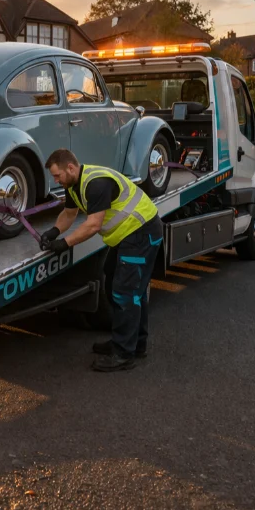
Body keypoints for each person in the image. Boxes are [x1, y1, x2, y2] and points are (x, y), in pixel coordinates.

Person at [41, 149, 163, 372]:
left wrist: (65, 243)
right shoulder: (74, 185)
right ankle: (133, 343)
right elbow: (69, 214)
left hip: (141, 232)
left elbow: (93, 224)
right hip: (128, 235)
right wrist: (53, 232)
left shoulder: (96, 184)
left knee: (126, 291)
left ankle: (124, 353)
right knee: (118, 284)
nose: (55, 180)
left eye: (57, 175)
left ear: (70, 167)